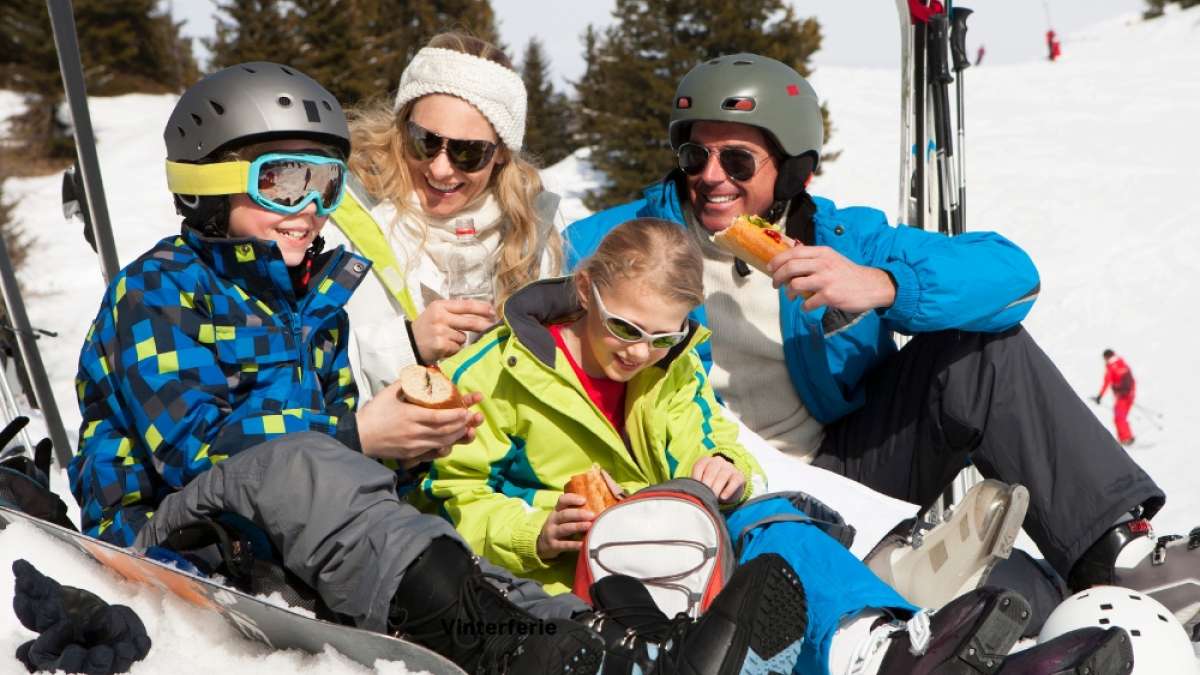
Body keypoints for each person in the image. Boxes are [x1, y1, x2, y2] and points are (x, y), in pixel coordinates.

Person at [62, 62, 787, 675]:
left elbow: (343, 470)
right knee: (304, 468)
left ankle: (626, 645)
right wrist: (358, 436)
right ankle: (546, 654)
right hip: (165, 536)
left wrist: (419, 448)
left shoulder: (312, 300)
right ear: (206, 178)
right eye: (283, 182)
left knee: (432, 527)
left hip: (293, 533)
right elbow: (198, 452)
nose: (309, 208)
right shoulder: (157, 289)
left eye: (326, 183)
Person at [563, 52, 1200, 638]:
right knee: (1007, 594)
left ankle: (1119, 558)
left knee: (980, 353)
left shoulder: (844, 238)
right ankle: (919, 580)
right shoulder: (616, 241)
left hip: (842, 460)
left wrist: (883, 284)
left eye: (736, 161)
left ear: (795, 168)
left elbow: (1012, 275)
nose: (709, 178)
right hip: (706, 479)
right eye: (693, 154)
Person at [419, 218, 1131, 675]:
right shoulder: (495, 372)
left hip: (683, 546)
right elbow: (451, 496)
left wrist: (723, 466)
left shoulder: (672, 364)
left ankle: (901, 646)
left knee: (774, 518)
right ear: (584, 289)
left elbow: (707, 432)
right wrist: (533, 529)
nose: (639, 353)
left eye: (662, 337)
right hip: (584, 574)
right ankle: (896, 648)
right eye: (625, 328)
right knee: (773, 538)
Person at [323, 32, 563, 398]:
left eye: (468, 153)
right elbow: (300, 358)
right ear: (401, 127)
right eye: (425, 141)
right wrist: (406, 345)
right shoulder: (340, 216)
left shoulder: (532, 238)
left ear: (501, 153)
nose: (440, 169)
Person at [1093, 348, 1136, 446]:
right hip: (1129, 394)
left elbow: (1107, 382)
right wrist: (1131, 393)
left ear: (1106, 357)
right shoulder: (1122, 363)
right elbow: (1131, 380)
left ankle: (1126, 438)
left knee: (1119, 417)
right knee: (1121, 417)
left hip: (1122, 396)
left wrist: (1100, 396)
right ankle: (1125, 438)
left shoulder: (1111, 367)